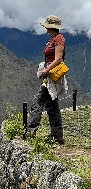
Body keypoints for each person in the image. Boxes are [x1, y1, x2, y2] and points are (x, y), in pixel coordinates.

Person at [25, 15, 66, 143]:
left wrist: (46, 71)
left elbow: (58, 59)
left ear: (51, 26)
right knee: (51, 105)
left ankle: (31, 131)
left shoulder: (58, 39)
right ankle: (57, 136)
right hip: (49, 74)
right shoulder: (53, 39)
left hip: (52, 74)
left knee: (38, 100)